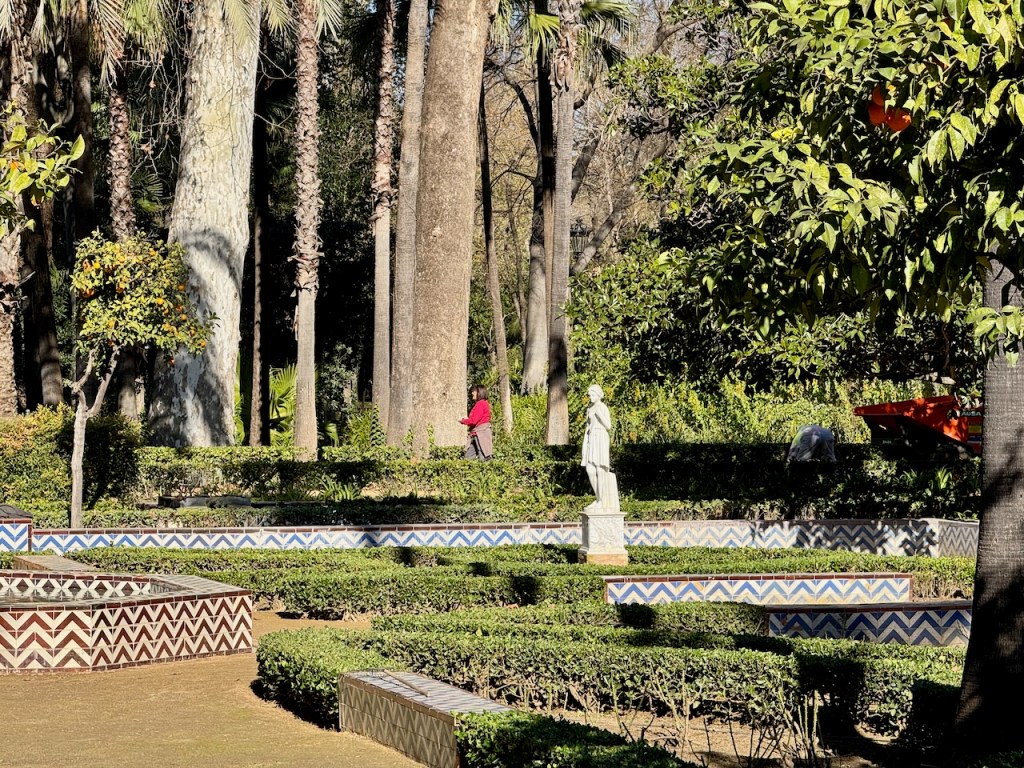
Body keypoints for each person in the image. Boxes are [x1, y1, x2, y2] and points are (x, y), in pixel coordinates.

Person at [581, 384, 613, 509]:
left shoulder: (602, 407)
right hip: (592, 438)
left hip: (601, 437)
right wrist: (584, 445)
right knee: (590, 469)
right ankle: (598, 497)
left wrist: (600, 415)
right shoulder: (589, 408)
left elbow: (608, 426)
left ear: (599, 395)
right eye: (590, 395)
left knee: (600, 469)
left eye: (593, 395)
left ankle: (601, 501)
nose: (590, 397)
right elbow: (587, 428)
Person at [460, 384, 493, 459]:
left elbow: (473, 421)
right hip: (476, 434)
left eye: (474, 391)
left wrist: (463, 421)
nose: (472, 393)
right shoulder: (482, 403)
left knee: (483, 456)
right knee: (468, 456)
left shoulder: (481, 403)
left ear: (479, 392)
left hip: (481, 433)